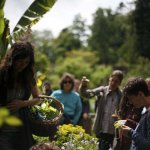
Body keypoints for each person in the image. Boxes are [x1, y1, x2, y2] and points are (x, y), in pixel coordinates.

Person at [0, 42, 43, 150]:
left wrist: (23, 103)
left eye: (26, 62)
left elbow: (38, 99)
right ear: (12, 59)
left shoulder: (28, 76)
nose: (23, 65)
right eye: (20, 61)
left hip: (22, 129)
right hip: (3, 130)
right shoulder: (2, 74)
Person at [79, 70, 124, 150]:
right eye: (112, 80)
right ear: (109, 79)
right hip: (101, 128)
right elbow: (86, 94)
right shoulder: (102, 90)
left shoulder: (121, 95)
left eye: (116, 81)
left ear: (120, 83)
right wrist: (83, 85)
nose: (113, 83)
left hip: (113, 130)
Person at [120, 77, 150, 150]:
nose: (130, 102)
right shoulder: (144, 109)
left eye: (131, 98)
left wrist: (130, 133)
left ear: (140, 94)